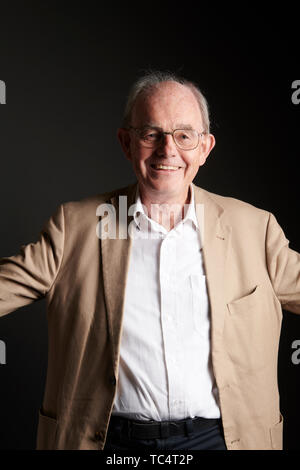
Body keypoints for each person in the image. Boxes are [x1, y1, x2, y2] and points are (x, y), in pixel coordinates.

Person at [0, 71, 298, 451]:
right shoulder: (75, 227)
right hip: (110, 445)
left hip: (223, 441)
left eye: (184, 135)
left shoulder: (255, 229)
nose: (167, 150)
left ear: (205, 148)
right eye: (151, 134)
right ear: (127, 143)